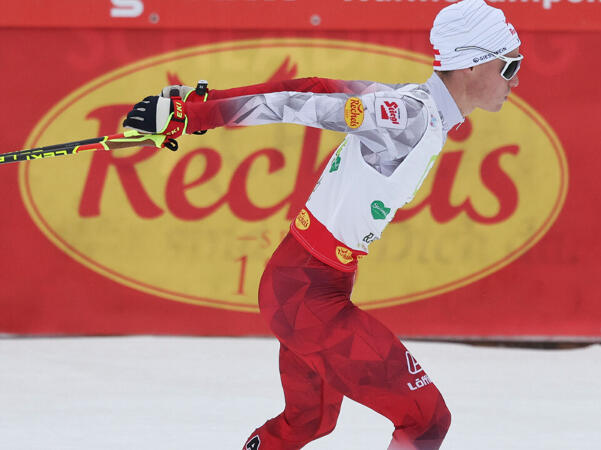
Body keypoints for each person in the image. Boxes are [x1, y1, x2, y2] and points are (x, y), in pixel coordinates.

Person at [123, 0, 521, 448]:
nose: (517, 79)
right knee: (426, 420)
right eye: (510, 65)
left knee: (309, 421)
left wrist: (206, 102)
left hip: (301, 286)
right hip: (307, 296)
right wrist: (198, 114)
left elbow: (314, 86)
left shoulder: (412, 105)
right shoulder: (409, 117)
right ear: (471, 64)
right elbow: (300, 105)